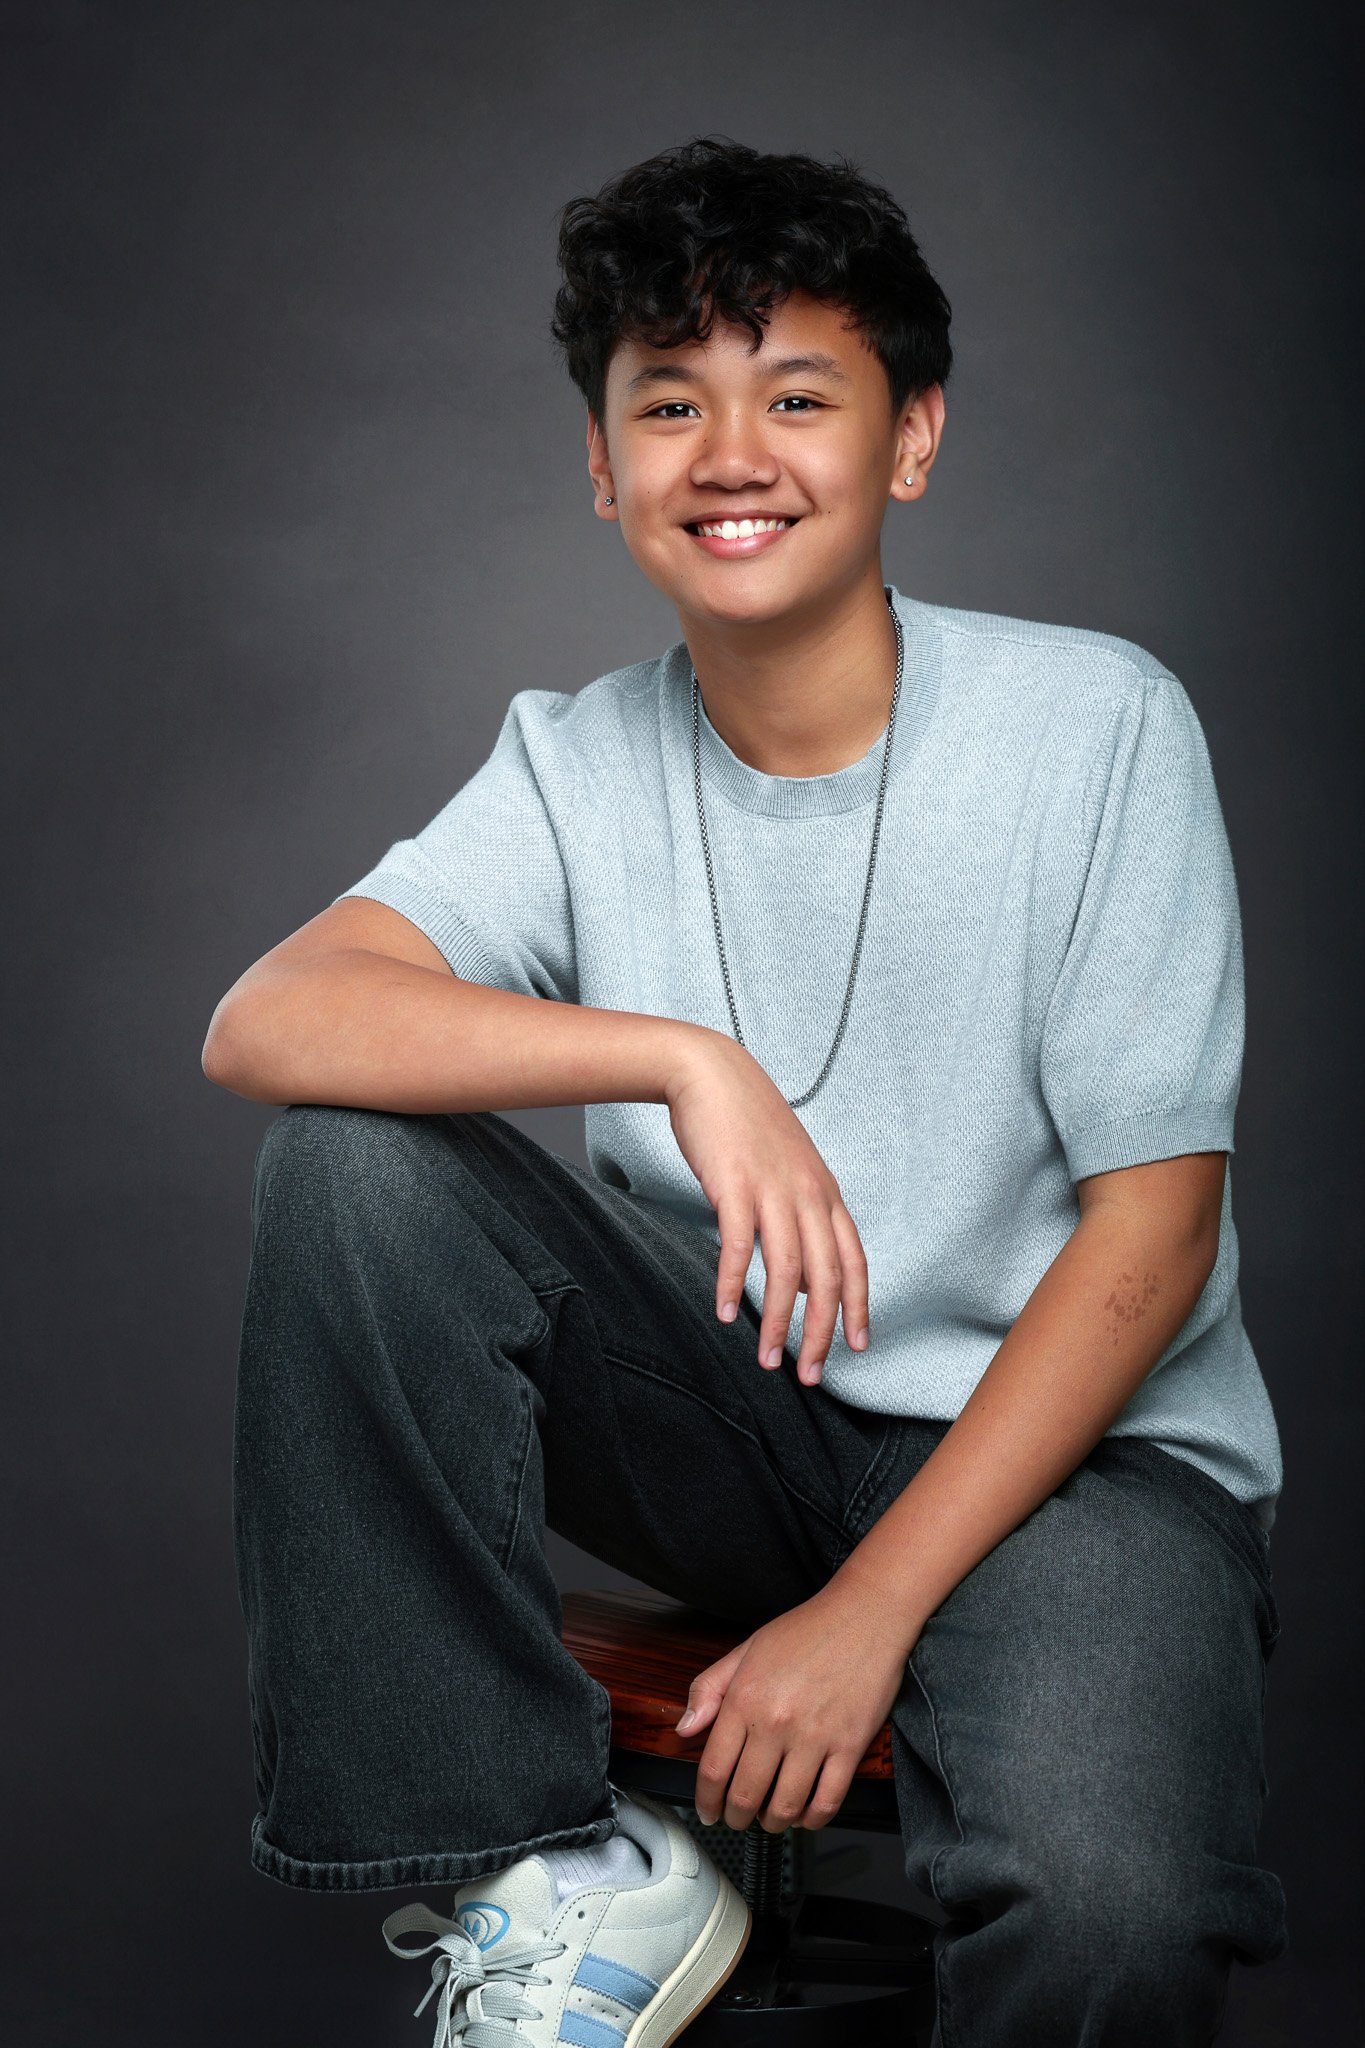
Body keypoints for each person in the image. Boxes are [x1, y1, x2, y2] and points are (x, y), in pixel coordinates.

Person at [203, 135, 1289, 2047]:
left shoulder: (1093, 726)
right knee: (349, 1174)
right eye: (668, 403)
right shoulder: (574, 763)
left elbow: (1155, 1232)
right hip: (747, 1426)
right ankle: (553, 1867)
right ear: (600, 463)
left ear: (909, 437)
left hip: (1078, 1466)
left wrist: (866, 1617)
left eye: (796, 397)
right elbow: (269, 1018)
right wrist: (676, 1058)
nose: (728, 455)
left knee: (1108, 1914)